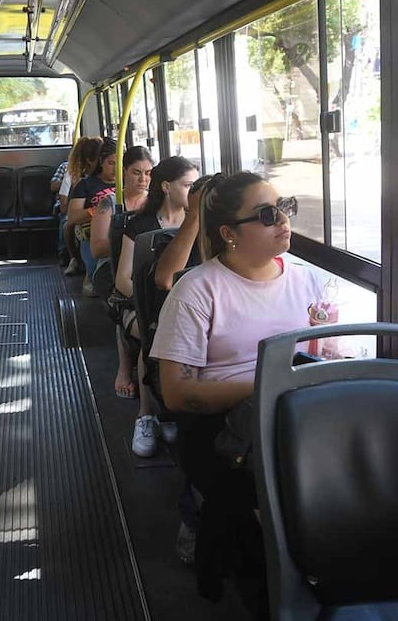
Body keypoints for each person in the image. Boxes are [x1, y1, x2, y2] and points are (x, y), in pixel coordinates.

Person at [150, 171, 313, 613]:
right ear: (228, 233)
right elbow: (179, 393)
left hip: (292, 407)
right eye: (266, 214)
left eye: (285, 207)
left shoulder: (303, 279)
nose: (283, 220)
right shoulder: (198, 290)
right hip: (220, 426)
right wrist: (266, 385)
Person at [112, 157, 196, 456]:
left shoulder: (194, 226)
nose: (192, 191)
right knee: (156, 332)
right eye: (188, 185)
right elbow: (122, 279)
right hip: (143, 304)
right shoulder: (140, 226)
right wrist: (152, 301)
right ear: (166, 187)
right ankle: (146, 414)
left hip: (184, 306)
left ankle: (172, 408)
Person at [67, 137, 117, 297]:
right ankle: (92, 274)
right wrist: (101, 210)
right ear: (101, 162)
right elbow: (73, 217)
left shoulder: (127, 184)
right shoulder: (86, 185)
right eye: (112, 163)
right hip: (94, 229)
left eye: (121, 163)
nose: (117, 169)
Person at [89, 146, 153, 262]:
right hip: (112, 265)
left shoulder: (154, 201)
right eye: (136, 173)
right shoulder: (109, 204)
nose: (143, 179)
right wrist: (132, 239)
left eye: (148, 173)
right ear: (124, 172)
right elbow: (97, 250)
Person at [62, 137, 103, 276]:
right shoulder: (78, 179)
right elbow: (65, 204)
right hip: (85, 217)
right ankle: (75, 258)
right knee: (68, 225)